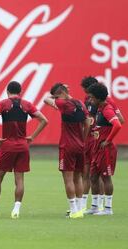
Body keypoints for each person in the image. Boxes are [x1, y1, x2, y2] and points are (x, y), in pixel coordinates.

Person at [0, 81, 48, 218]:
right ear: (20, 92)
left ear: (7, 92)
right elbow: (44, 120)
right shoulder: (26, 104)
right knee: (19, 179)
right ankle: (16, 210)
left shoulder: (2, 104)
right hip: (22, 146)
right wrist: (32, 137)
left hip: (7, 145)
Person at [44, 83, 90, 218]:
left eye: (57, 95)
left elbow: (46, 99)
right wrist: (84, 138)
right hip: (80, 145)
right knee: (78, 178)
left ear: (61, 93)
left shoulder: (63, 104)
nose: (56, 98)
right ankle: (81, 208)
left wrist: (54, 95)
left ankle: (73, 210)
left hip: (67, 146)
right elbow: (87, 122)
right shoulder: (80, 103)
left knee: (68, 179)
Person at [80, 76, 124, 213]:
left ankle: (108, 208)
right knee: (93, 176)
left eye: (92, 98)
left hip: (105, 148)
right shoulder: (99, 109)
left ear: (98, 98)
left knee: (106, 177)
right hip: (97, 147)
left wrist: (108, 140)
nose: (90, 100)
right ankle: (94, 206)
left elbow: (118, 124)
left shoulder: (106, 108)